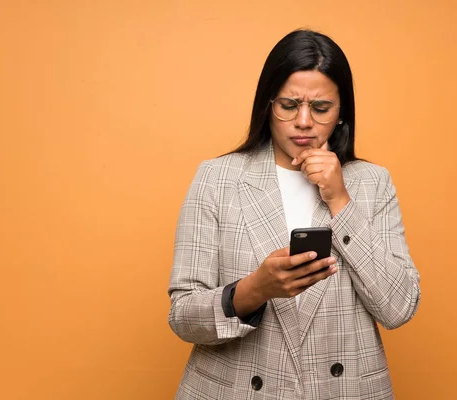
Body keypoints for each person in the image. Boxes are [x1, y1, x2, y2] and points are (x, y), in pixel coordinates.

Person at [167, 29, 421, 400]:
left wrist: (340, 201)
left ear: (341, 114)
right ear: (268, 106)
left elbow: (399, 307)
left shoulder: (372, 184)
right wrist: (254, 290)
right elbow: (183, 316)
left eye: (321, 108)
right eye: (289, 105)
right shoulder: (217, 178)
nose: (304, 121)